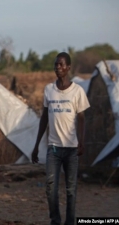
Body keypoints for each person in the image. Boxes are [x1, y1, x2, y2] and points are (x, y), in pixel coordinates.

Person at [32, 52, 90, 225]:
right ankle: (55, 220)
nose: (58, 67)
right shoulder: (49, 90)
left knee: (71, 190)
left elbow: (81, 118)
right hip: (54, 148)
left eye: (61, 65)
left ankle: (70, 222)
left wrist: (81, 141)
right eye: (56, 64)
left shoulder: (77, 91)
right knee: (51, 187)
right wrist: (36, 145)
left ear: (68, 68)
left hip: (71, 149)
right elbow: (44, 118)